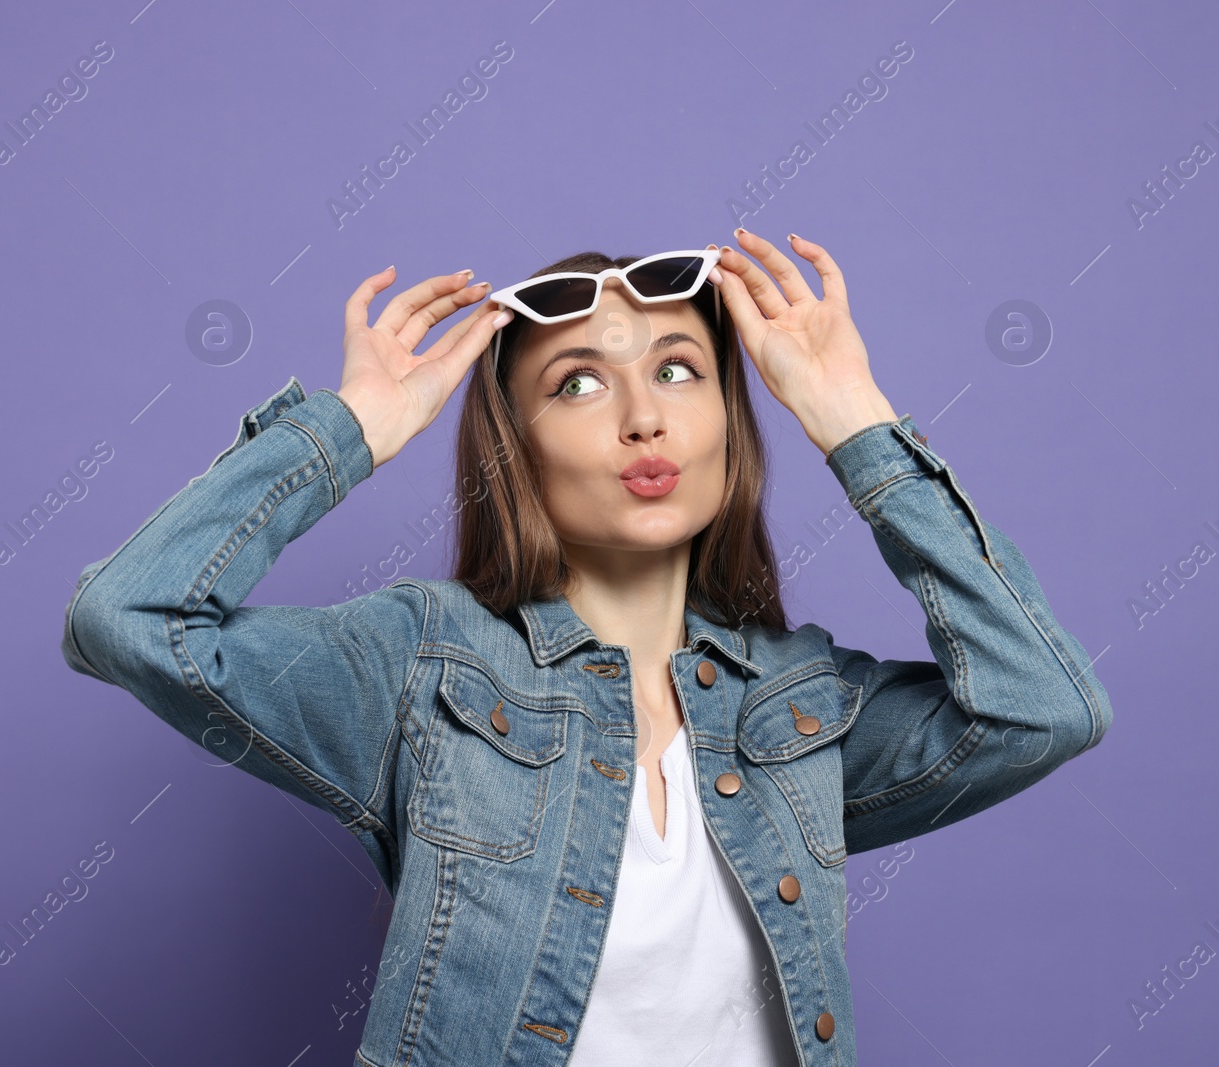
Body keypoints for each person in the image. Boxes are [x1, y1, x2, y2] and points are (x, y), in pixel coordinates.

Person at [59, 230, 1112, 1066]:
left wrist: (852, 421)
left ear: (729, 423)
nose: (644, 418)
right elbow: (127, 616)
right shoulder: (422, 663)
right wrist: (351, 428)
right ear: (515, 447)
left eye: (680, 368)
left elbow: (1043, 708)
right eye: (578, 382)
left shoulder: (799, 700)